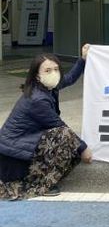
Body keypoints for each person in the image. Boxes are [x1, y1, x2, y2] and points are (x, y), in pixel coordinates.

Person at [0, 44, 93, 200]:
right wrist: (84, 149)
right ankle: (41, 183)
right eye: (48, 70)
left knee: (65, 139)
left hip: (20, 147)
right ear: (37, 75)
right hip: (12, 157)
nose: (53, 73)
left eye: (56, 69)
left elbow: (70, 78)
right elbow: (59, 126)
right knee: (63, 136)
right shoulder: (37, 99)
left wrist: (82, 59)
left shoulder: (47, 87)